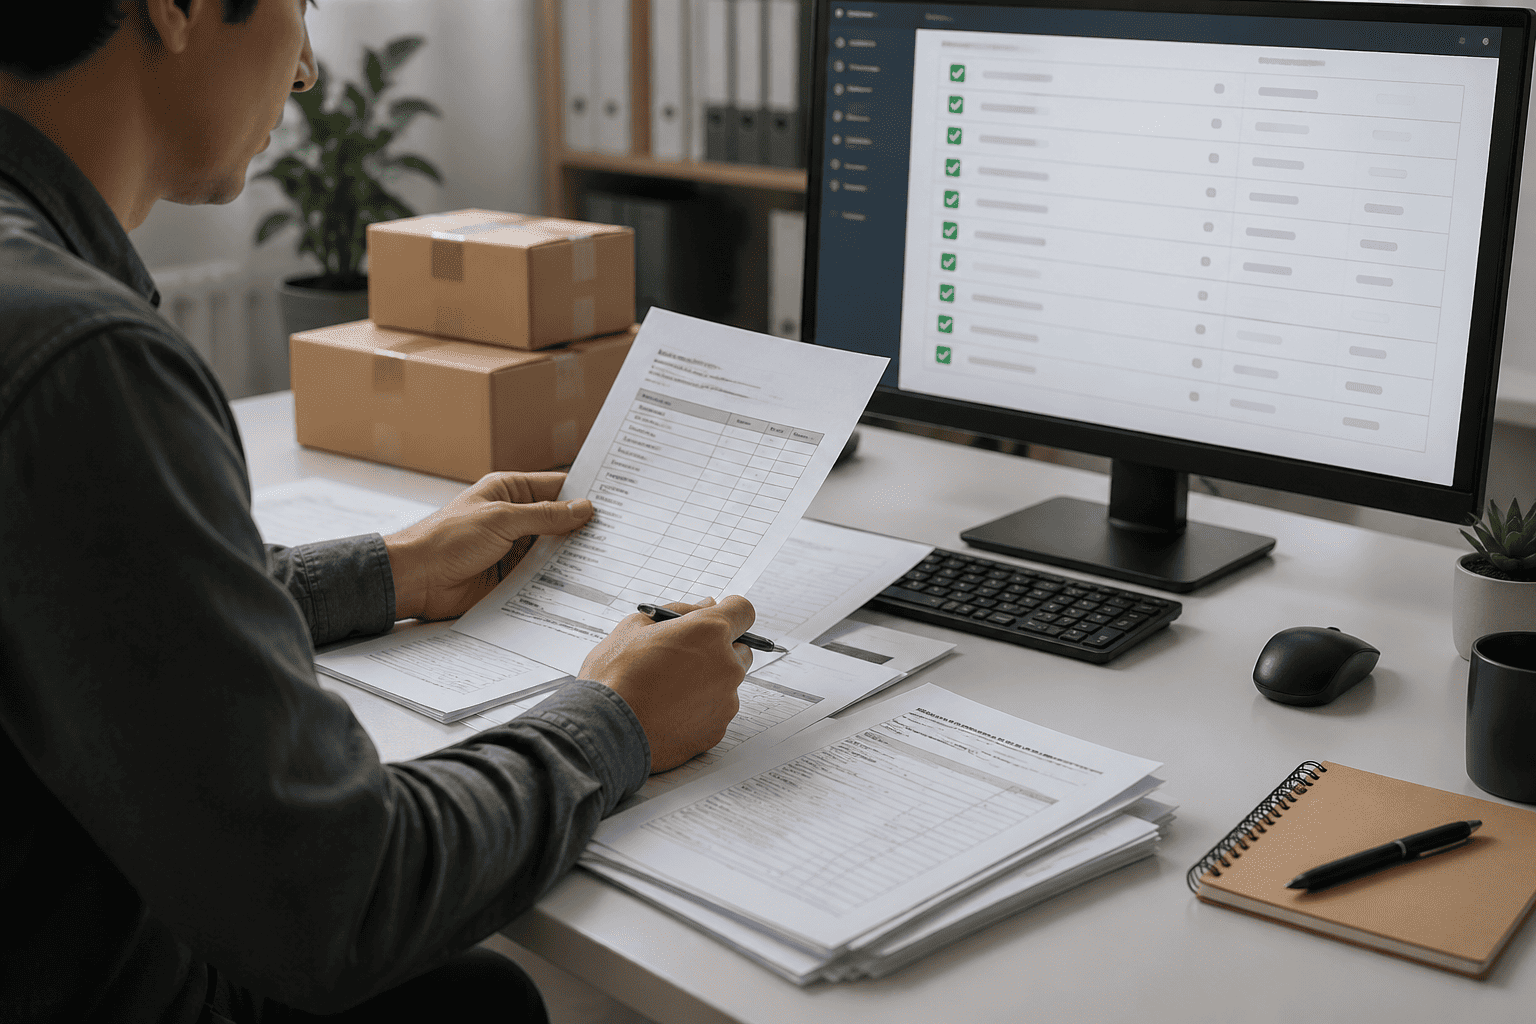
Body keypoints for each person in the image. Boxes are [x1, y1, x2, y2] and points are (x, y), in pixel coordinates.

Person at [0, 1, 755, 1020]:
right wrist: (616, 718)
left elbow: (83, 603)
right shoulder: (81, 356)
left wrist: (394, 568)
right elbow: (336, 898)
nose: (307, 68)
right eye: (298, 5)